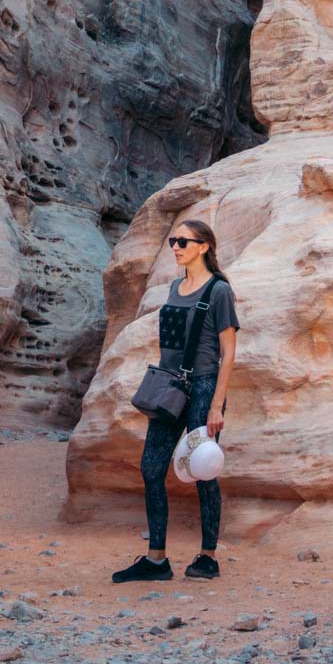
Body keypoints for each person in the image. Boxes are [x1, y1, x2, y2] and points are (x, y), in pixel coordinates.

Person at [112, 218, 239, 583]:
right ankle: (156, 561)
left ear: (204, 247)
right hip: (171, 387)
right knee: (152, 467)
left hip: (203, 387)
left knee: (203, 470)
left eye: (184, 241)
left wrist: (216, 405)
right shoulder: (173, 287)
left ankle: (207, 557)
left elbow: (228, 353)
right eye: (173, 241)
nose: (176, 247)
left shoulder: (219, 291)